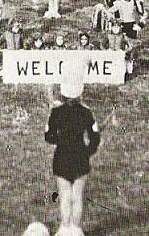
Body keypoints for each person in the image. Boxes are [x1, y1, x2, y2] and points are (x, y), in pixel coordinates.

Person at [45, 82, 100, 235]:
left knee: (64, 196)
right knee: (77, 196)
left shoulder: (56, 112)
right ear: (80, 94)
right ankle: (75, 229)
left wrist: (60, 139)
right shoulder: (86, 112)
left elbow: (49, 137)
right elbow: (95, 137)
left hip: (62, 157)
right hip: (80, 156)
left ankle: (64, 227)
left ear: (63, 94)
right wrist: (88, 152)